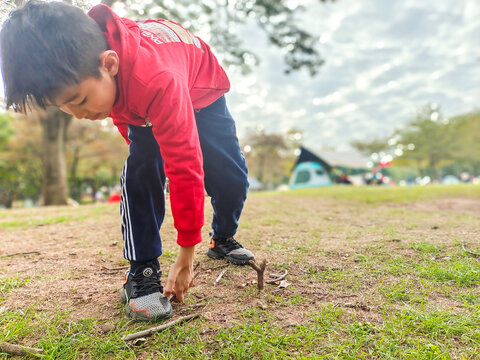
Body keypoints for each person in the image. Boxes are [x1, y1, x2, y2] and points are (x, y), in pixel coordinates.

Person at [0, 1, 255, 321]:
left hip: (200, 89)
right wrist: (151, 163)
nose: (79, 115)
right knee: (141, 169)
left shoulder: (155, 80)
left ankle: (223, 237)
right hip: (143, 91)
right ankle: (142, 269)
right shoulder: (105, 79)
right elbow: (130, 129)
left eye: (79, 101)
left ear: (109, 64)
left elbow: (185, 165)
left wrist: (187, 254)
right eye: (65, 107)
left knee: (231, 176)